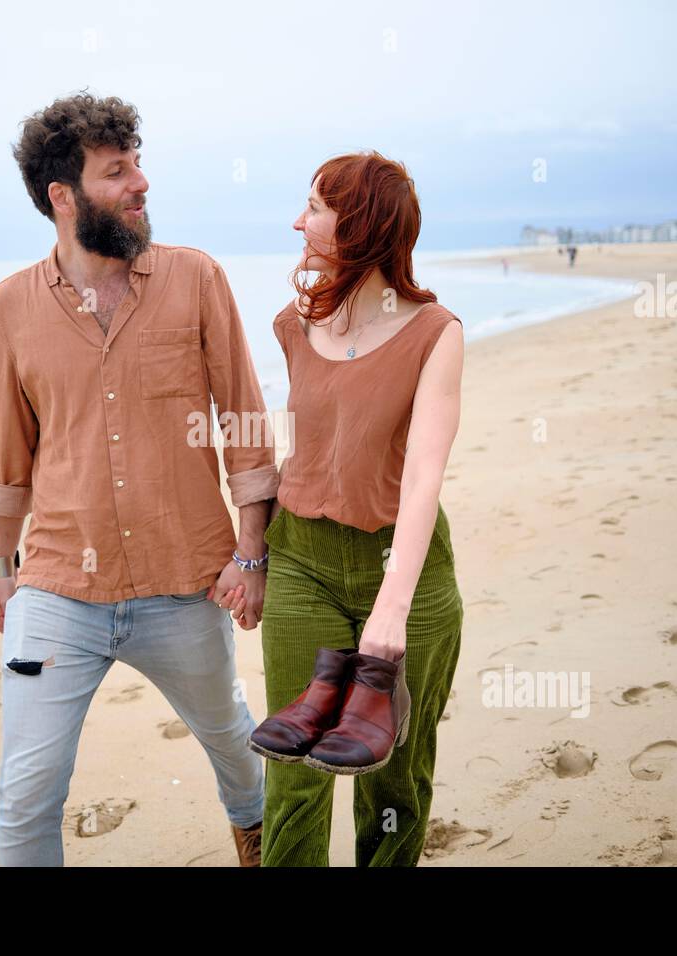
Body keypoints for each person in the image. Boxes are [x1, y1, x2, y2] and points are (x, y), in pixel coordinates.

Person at [0, 91, 277, 866]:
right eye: (118, 172)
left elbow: (244, 424)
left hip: (186, 581)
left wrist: (253, 552)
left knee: (235, 749)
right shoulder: (9, 308)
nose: (141, 183)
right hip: (55, 590)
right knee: (25, 792)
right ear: (63, 197)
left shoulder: (196, 279)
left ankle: (257, 839)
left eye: (139, 164)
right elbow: (7, 455)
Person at [221, 150, 465, 866]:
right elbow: (277, 449)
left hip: (406, 572)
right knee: (292, 773)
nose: (299, 221)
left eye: (317, 209)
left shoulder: (435, 333)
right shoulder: (294, 325)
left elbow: (424, 477)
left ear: (359, 225)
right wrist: (252, 555)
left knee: (394, 782)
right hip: (303, 563)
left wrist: (391, 609)